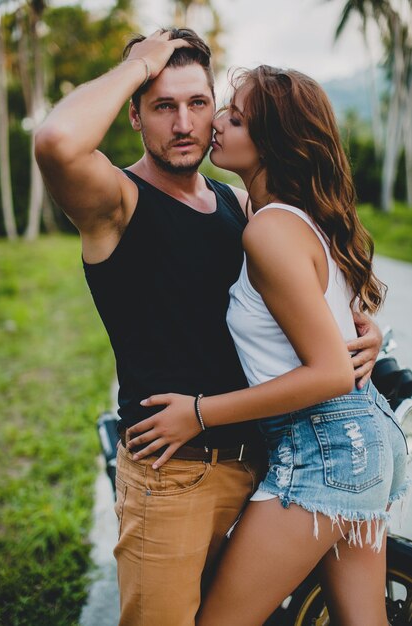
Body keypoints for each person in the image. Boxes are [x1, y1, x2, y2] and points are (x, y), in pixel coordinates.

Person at [35, 29, 382, 626]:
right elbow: (58, 140)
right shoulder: (117, 200)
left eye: (198, 103)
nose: (184, 123)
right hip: (174, 474)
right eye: (162, 105)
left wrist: (360, 332)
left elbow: (303, 284)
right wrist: (142, 62)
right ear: (136, 115)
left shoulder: (235, 204)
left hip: (265, 463)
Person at [126, 66, 409, 625]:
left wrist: (200, 414)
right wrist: (363, 333)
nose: (216, 127)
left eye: (235, 117)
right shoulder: (291, 218)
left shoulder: (269, 230)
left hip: (324, 449)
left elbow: (328, 371)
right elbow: (334, 328)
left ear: (274, 141)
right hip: (364, 443)